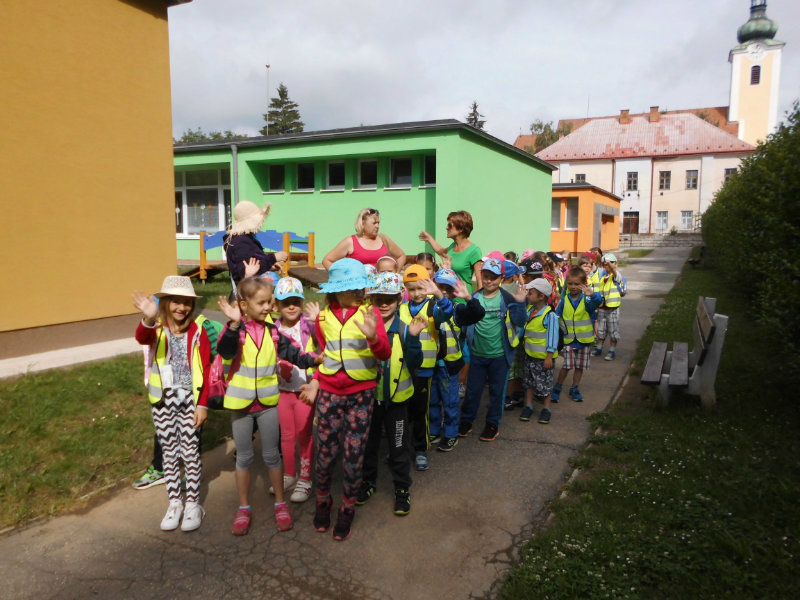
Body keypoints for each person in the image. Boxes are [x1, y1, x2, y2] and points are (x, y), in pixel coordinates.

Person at [216, 277, 322, 536]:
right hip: (241, 405)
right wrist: (233, 325)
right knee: (244, 457)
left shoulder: (273, 332)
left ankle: (280, 504)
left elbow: (294, 354)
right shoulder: (236, 331)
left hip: (267, 404)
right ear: (244, 305)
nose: (267, 307)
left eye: (269, 302)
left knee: (272, 455)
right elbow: (225, 351)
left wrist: (314, 359)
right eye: (261, 303)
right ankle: (244, 507)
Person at [301, 258, 392, 541]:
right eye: (351, 289)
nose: (357, 293)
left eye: (359, 288)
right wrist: (316, 381)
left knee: (354, 455)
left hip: (361, 395)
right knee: (325, 454)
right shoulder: (323, 318)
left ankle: (348, 507)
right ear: (336, 290)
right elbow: (324, 353)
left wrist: (373, 337)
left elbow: (385, 353)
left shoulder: (370, 314)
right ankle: (323, 500)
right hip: (329, 393)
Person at [131, 276, 212, 532]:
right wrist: (148, 318)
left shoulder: (198, 330)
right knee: (169, 452)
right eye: (175, 301)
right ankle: (175, 503)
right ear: (165, 303)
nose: (181, 307)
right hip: (163, 401)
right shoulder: (156, 328)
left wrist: (203, 404)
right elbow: (141, 337)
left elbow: (207, 368)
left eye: (186, 303)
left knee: (189, 452)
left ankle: (193, 504)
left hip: (190, 400)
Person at [357, 272, 426, 515]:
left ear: (399, 300)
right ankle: (368, 482)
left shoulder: (405, 329)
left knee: (398, 447)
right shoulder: (365, 327)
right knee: (369, 445)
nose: (384, 304)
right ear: (371, 300)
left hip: (397, 402)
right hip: (369, 399)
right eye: (379, 299)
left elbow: (416, 362)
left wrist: (414, 339)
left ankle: (402, 488)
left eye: (390, 299)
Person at [459, 257, 527, 442]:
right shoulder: (474, 298)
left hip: (499, 356)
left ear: (502, 278)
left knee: (497, 392)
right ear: (481, 275)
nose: (489, 281)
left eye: (494, 277)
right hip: (477, 355)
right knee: (473, 392)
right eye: (486, 276)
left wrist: (520, 304)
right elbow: (465, 324)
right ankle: (466, 420)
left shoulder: (507, 298)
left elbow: (520, 321)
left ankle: (492, 424)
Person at [399, 264, 454, 471]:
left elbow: (447, 313)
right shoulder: (401, 309)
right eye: (411, 289)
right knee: (403, 412)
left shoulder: (433, 307)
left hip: (424, 369)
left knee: (421, 412)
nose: (416, 293)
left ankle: (421, 449)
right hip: (403, 369)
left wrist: (438, 294)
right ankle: (400, 448)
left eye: (420, 288)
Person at [273, 277, 321, 503]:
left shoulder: (307, 324)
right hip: (282, 390)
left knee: (304, 434)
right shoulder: (274, 328)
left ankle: (305, 478)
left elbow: (323, 342)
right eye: (286, 302)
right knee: (286, 435)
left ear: (302, 302)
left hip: (304, 389)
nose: (291, 307)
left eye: (296, 302)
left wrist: (318, 321)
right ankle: (290, 474)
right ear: (277, 305)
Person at [428, 268, 484, 452]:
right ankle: (434, 430)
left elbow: (478, 314)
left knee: (450, 401)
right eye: (440, 286)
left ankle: (451, 434)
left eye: (448, 288)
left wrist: (469, 298)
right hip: (430, 362)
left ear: (453, 291)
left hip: (449, 365)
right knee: (433, 400)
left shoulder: (457, 309)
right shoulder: (426, 306)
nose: (443, 291)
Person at [552, 267, 603, 403]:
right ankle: (558, 386)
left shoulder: (587, 300)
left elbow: (598, 302)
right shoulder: (564, 301)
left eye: (576, 284)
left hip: (584, 341)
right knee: (567, 365)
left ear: (583, 284)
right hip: (569, 340)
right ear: (566, 284)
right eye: (570, 283)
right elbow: (556, 316)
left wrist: (592, 294)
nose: (573, 287)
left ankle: (575, 388)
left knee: (580, 367)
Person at [519, 279, 560, 425]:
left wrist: (549, 356)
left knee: (545, 384)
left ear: (541, 296)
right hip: (529, 355)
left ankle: (546, 409)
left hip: (543, 358)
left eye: (530, 293)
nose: (528, 295)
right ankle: (529, 405)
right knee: (529, 382)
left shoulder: (550, 315)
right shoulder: (529, 311)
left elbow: (553, 336)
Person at [224, 201, 288, 289]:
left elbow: (255, 261)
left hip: (252, 287)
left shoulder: (244, 239)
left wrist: (270, 264)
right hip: (250, 290)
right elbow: (247, 272)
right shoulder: (241, 243)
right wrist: (273, 258)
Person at [419, 210, 483, 295]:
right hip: (448, 297)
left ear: (461, 228)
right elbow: (441, 252)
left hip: (463, 299)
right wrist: (429, 239)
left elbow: (480, 281)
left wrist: (480, 300)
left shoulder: (474, 251)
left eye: (450, 225)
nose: (446, 228)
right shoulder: (452, 246)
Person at [322, 208, 406, 269]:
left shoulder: (384, 239)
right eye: (374, 223)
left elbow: (401, 256)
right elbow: (327, 260)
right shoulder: (351, 241)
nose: (377, 226)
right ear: (363, 223)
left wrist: (395, 273)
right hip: (359, 287)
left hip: (382, 287)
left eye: (378, 223)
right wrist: (340, 277)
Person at [593, 253, 627, 361]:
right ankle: (599, 348)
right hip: (602, 308)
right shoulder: (603, 278)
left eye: (611, 263)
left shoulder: (617, 276)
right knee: (601, 330)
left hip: (612, 309)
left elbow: (615, 273)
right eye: (605, 264)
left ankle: (612, 351)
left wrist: (611, 266)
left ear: (616, 264)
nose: (607, 265)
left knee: (613, 330)